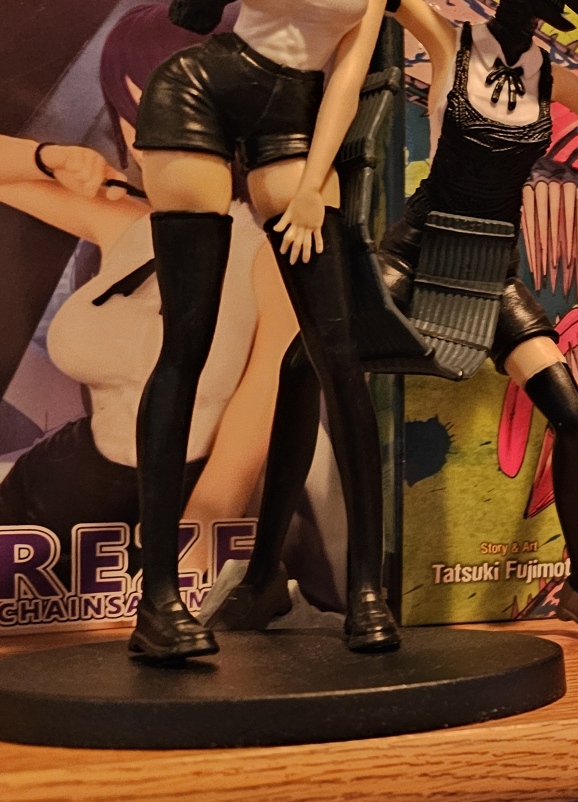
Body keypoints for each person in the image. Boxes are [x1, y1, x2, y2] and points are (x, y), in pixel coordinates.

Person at [216, 0, 578, 643]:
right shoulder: (449, 41)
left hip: (492, 271)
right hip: (416, 253)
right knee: (300, 365)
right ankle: (262, 578)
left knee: (570, 413)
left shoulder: (553, 80)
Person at [0, 4, 308, 616]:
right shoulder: (123, 219)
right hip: (53, 495)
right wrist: (48, 158)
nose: (152, 139)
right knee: (9, 640)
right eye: (136, 115)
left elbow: (259, 405)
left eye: (181, 113)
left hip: (189, 502)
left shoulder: (273, 248)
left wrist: (194, 544)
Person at [129, 0, 391, 661]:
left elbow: (348, 74)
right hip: (198, 92)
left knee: (339, 356)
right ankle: (157, 601)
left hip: (296, 117)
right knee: (186, 345)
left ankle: (367, 592)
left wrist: (311, 188)